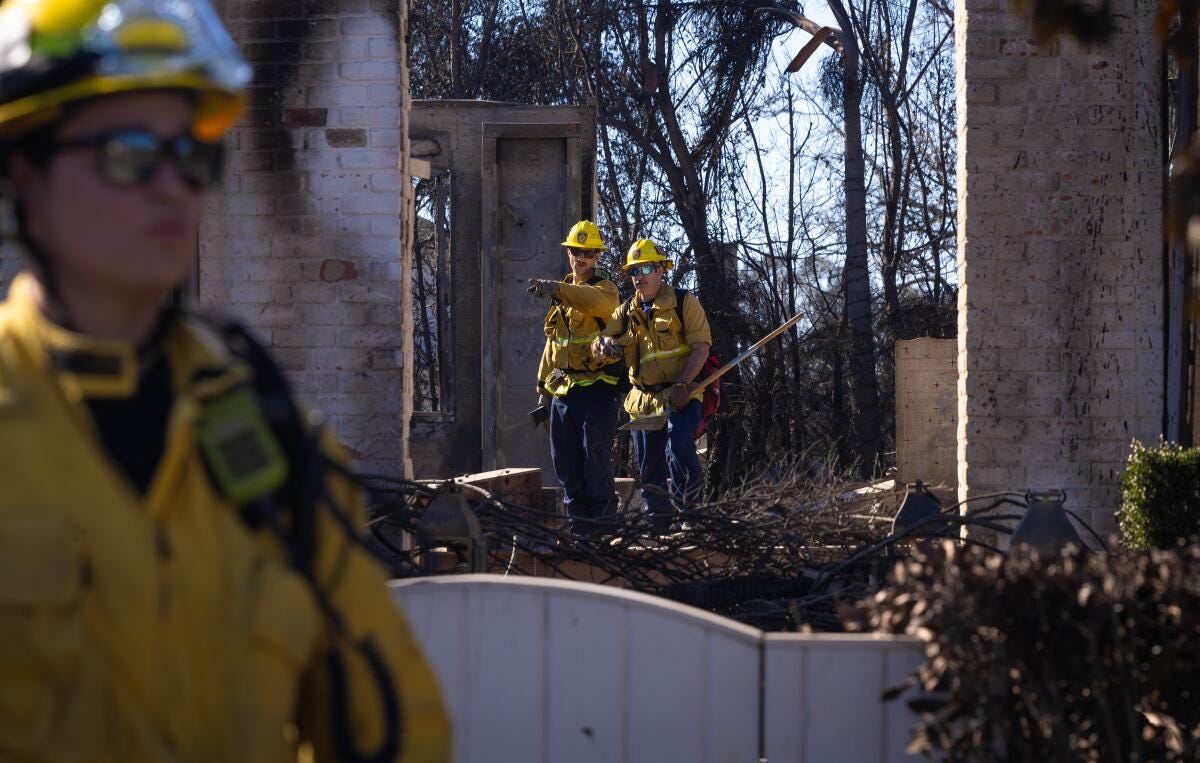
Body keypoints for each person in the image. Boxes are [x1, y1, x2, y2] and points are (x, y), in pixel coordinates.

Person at [0, 1, 450, 760]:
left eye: (193, 154)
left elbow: (399, 726)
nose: (173, 186)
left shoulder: (263, 436)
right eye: (131, 151)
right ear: (25, 173)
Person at [592, 238, 711, 530]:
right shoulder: (625, 313)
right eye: (633, 271)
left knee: (680, 447)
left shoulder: (684, 303)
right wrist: (604, 345)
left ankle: (690, 517)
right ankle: (659, 524)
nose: (639, 277)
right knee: (648, 467)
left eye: (645, 268)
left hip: (681, 394)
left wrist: (683, 384)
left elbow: (701, 348)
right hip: (643, 401)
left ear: (661, 270)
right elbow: (598, 345)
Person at [527, 220, 621, 534]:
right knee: (566, 466)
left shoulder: (605, 291)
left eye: (588, 253)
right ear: (569, 253)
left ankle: (604, 532)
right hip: (563, 392)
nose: (580, 258)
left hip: (597, 391)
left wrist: (555, 288)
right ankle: (580, 534)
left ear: (597, 257)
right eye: (575, 251)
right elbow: (553, 347)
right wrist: (543, 391)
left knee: (595, 463)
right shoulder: (563, 298)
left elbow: (591, 301)